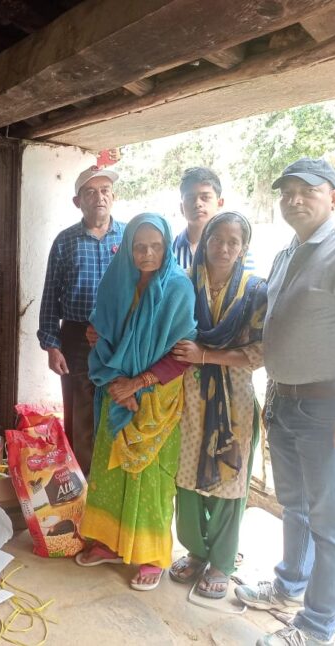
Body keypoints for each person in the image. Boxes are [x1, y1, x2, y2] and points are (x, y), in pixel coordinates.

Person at [235, 158, 335, 646]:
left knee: (331, 523)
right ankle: (289, 585)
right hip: (285, 402)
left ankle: (317, 627)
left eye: (308, 190)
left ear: (334, 197)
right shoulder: (287, 254)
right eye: (287, 192)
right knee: (295, 506)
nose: (294, 199)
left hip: (328, 410)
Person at [74, 213, 196, 590]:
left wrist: (137, 384)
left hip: (156, 398)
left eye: (155, 246)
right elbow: (102, 334)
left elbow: (182, 354)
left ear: (167, 247)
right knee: (109, 471)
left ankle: (150, 556)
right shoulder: (116, 281)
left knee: (150, 478)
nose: (147, 254)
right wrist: (116, 382)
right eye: (139, 246)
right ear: (127, 248)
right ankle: (109, 543)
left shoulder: (177, 287)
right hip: (115, 390)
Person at [168, 212, 267, 598]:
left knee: (230, 475)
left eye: (233, 241)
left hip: (235, 399)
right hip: (190, 396)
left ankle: (222, 561)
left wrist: (206, 355)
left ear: (243, 247)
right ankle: (196, 551)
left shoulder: (256, 291)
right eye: (216, 239)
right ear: (205, 241)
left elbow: (260, 352)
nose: (223, 248)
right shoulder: (183, 283)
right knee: (186, 473)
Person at [37, 166, 125, 474]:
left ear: (113, 197)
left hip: (121, 337)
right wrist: (52, 346)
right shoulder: (65, 241)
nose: (99, 197)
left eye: (105, 190)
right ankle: (83, 486)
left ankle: (112, 483)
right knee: (80, 412)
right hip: (75, 337)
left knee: (119, 404)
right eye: (90, 192)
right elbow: (50, 295)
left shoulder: (130, 238)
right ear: (78, 202)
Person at [173, 167, 255, 271]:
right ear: (181, 207)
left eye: (205, 197)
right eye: (190, 198)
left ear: (220, 203)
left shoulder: (237, 252)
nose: (198, 203)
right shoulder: (169, 251)